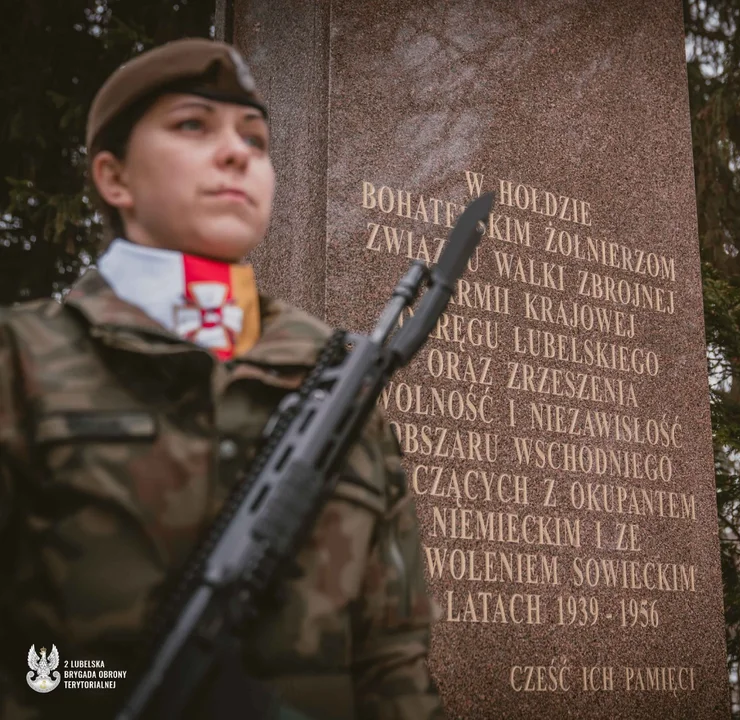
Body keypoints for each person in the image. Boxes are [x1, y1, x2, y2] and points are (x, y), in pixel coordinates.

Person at [0, 38, 444, 720]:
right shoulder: (19, 360)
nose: (237, 153)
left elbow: (392, 661)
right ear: (115, 178)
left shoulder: (339, 377)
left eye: (255, 139)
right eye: (192, 125)